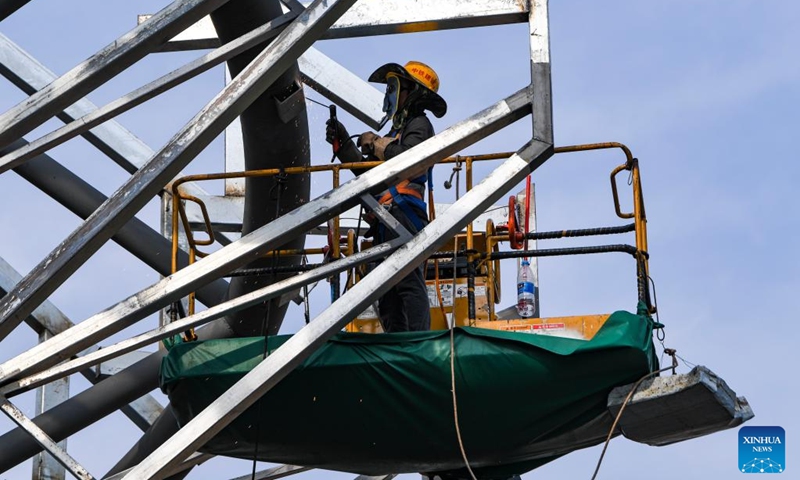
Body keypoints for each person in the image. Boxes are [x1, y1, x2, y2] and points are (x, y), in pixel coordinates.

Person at [325, 61, 447, 333]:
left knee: (406, 280)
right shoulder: (396, 133)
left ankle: (417, 340)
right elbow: (367, 173)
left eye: (394, 87)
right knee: (385, 289)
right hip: (384, 216)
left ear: (411, 91)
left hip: (405, 215)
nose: (389, 95)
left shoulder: (419, 124)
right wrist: (344, 143)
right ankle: (397, 342)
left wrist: (377, 143)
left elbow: (408, 158)